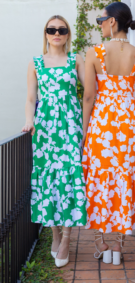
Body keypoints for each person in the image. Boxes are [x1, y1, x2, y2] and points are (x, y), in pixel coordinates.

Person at [82, 2, 135, 265]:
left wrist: (86, 132)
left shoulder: (95, 52)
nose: (100, 25)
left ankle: (102, 242)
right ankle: (119, 247)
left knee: (99, 178)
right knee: (124, 179)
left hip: (102, 124)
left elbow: (89, 96)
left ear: (111, 22)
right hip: (129, 125)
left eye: (101, 20)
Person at [22, 15, 86, 268]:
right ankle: (55, 234)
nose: (56, 33)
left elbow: (91, 91)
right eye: (51, 29)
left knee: (70, 177)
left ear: (67, 34)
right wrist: (30, 121)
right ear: (46, 34)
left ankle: (67, 238)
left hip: (70, 126)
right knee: (48, 180)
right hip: (46, 128)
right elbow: (30, 98)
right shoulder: (35, 63)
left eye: (61, 29)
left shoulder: (76, 59)